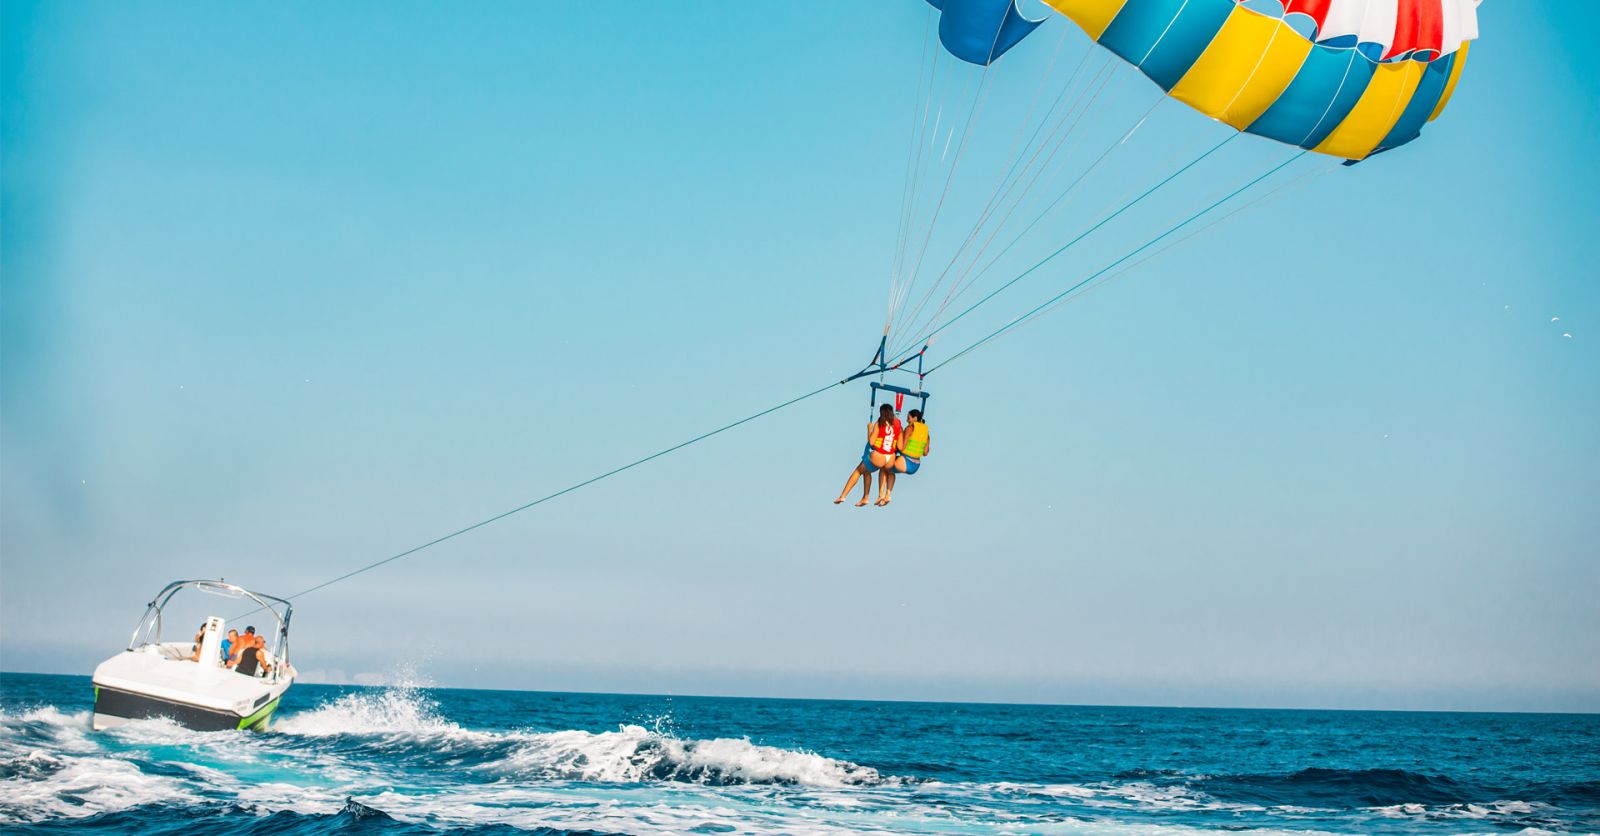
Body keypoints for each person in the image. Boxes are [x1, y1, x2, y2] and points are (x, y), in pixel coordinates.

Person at [835, 404, 900, 507]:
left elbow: (871, 442)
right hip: (890, 458)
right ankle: (872, 497)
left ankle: (843, 496)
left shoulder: (879, 423)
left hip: (880, 456)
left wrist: (869, 429)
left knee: (859, 470)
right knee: (869, 471)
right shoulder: (898, 423)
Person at [882, 408, 930, 504]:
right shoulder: (926, 432)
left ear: (915, 418)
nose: (907, 420)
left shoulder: (909, 428)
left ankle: (881, 495)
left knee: (884, 467)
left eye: (908, 418)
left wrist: (900, 433)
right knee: (891, 471)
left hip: (905, 461)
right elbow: (925, 453)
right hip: (916, 466)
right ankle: (887, 496)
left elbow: (901, 448)